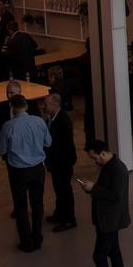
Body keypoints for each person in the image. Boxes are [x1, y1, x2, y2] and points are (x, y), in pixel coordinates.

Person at [79, 138, 130, 267]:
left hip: (109, 220)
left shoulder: (117, 169)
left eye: (95, 158)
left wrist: (93, 188)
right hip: (107, 218)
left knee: (99, 256)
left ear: (103, 153)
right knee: (113, 251)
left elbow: (115, 195)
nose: (95, 161)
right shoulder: (109, 166)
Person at [0, 94, 52, 251]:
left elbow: (1, 149)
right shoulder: (39, 121)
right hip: (37, 168)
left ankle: (26, 242)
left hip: (18, 171)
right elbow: (48, 142)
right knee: (37, 204)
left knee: (21, 206)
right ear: (26, 106)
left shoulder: (8, 126)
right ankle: (37, 237)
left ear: (12, 107)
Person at [43, 92, 78, 232]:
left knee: (64, 190)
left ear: (56, 104)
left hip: (63, 162)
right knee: (58, 188)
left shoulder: (63, 120)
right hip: (56, 162)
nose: (43, 106)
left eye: (46, 104)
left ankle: (69, 218)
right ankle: (59, 213)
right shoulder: (51, 118)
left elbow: (61, 144)